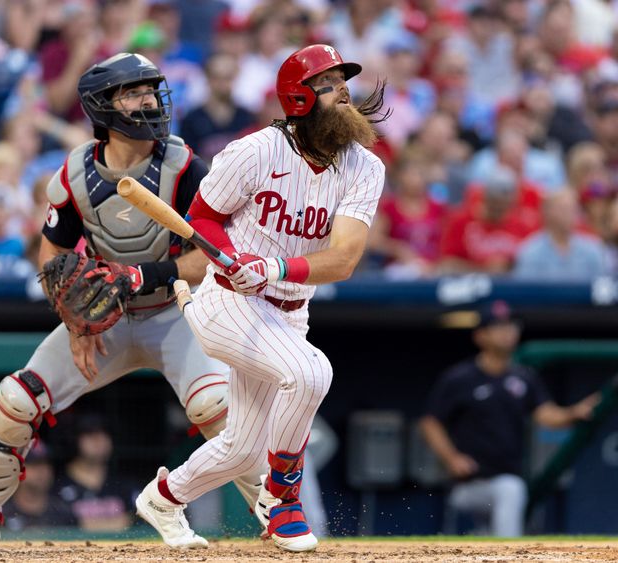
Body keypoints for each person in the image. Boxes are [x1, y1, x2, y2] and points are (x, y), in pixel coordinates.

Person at [0, 52, 261, 546]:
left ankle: (277, 516)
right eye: (134, 91)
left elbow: (210, 257)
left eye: (150, 89)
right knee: (15, 399)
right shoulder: (75, 174)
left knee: (219, 408)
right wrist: (75, 319)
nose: (148, 100)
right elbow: (51, 252)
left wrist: (142, 275)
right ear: (104, 106)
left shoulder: (185, 167)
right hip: (107, 321)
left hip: (177, 310)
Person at [135, 44, 387, 553]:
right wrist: (229, 256)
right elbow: (204, 220)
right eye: (329, 83)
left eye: (344, 81)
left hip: (291, 310)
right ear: (298, 98)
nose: (344, 91)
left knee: (239, 449)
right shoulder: (255, 151)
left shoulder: (364, 167)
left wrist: (271, 267)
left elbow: (343, 259)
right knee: (311, 372)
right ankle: (284, 499)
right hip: (227, 302)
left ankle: (163, 497)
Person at [419, 300, 599, 537]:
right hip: (469, 485)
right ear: (480, 336)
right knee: (510, 491)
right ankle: (508, 555)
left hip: (508, 474)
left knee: (506, 496)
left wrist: (574, 412)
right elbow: (430, 423)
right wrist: (452, 458)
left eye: (511, 326)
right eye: (498, 327)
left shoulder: (524, 377)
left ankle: (488, 542)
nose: (508, 333)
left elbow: (547, 415)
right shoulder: (460, 378)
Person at [54, 415, 134, 532]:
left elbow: (142, 519)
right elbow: (54, 524)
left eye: (104, 434)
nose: (99, 441)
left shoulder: (124, 484)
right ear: (74, 439)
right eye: (90, 434)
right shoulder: (57, 485)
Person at [1, 441, 76, 532]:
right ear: (17, 469)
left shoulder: (63, 512)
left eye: (46, 464)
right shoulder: (1, 512)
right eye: (34, 464)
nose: (42, 471)